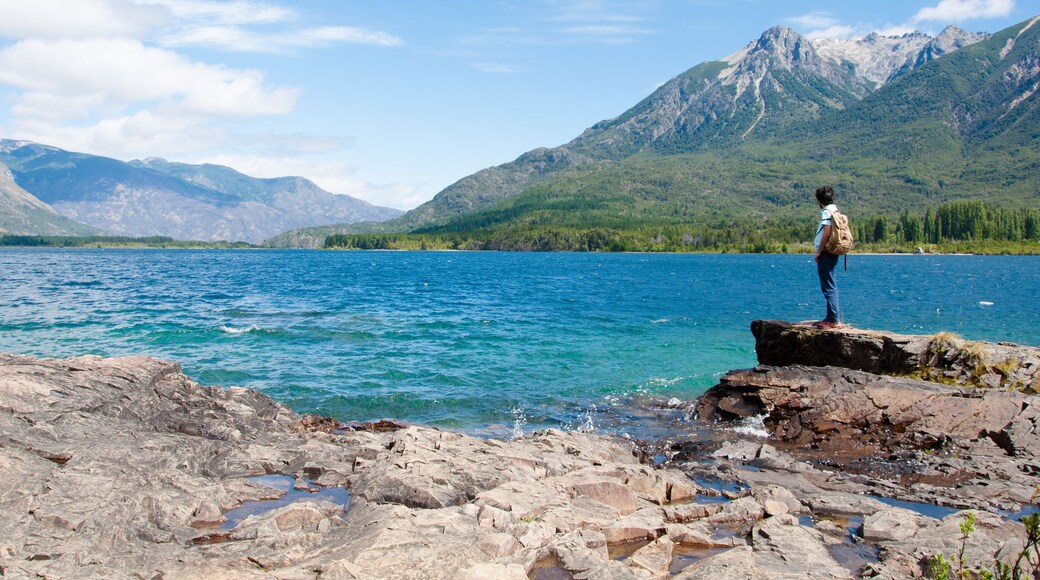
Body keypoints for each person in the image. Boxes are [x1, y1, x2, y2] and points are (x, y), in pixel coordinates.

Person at [813, 185, 841, 328]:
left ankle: (832, 319)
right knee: (831, 284)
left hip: (826, 253)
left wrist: (819, 251)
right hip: (832, 252)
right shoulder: (835, 210)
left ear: (819, 200)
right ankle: (833, 317)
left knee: (828, 286)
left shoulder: (826, 212)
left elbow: (827, 232)